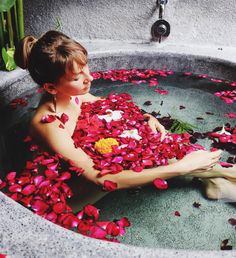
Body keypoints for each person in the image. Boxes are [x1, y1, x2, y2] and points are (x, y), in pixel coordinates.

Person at [14, 30, 236, 202]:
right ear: (51, 87)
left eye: (86, 68)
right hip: (68, 193)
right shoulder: (48, 124)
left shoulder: (71, 95)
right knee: (148, 152)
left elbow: (101, 103)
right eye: (77, 77)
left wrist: (146, 117)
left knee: (146, 140)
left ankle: (216, 182)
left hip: (86, 170)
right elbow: (101, 179)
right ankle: (223, 175)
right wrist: (181, 167)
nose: (89, 78)